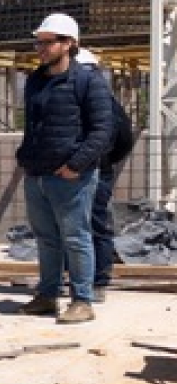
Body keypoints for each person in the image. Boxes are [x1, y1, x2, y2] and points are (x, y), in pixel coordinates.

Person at [16, 13, 113, 323]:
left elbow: (102, 131)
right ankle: (47, 295)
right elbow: (34, 125)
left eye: (48, 42)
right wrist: (25, 158)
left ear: (69, 44)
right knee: (46, 238)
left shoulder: (88, 81)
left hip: (72, 177)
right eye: (39, 42)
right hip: (38, 174)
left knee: (76, 236)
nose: (41, 48)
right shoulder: (35, 80)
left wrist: (76, 165)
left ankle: (82, 300)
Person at [75, 48, 132, 304]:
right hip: (77, 170)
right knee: (76, 226)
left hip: (96, 170)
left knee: (95, 224)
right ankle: (83, 278)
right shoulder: (74, 100)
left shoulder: (105, 104)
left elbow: (123, 140)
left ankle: (98, 280)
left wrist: (104, 162)